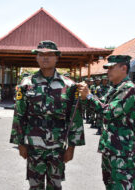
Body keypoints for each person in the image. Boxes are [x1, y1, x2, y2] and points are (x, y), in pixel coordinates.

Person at [10, 40, 85, 190]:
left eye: (50, 55)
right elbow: (19, 115)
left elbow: (75, 118)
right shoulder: (26, 83)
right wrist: (19, 143)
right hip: (33, 143)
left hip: (57, 145)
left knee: (55, 185)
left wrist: (71, 147)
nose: (45, 58)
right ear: (36, 58)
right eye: (41, 55)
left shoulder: (69, 85)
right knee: (34, 185)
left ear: (57, 57)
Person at [78, 55, 135, 190]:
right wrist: (84, 96)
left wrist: (89, 96)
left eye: (111, 68)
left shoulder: (129, 89)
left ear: (124, 68)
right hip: (110, 148)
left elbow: (109, 111)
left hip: (121, 151)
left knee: (122, 185)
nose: (107, 71)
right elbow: (99, 104)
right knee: (110, 185)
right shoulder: (115, 88)